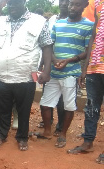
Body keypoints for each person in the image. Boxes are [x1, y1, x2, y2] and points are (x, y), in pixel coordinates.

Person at [0, 0, 53, 151]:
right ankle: (2, 135)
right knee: (3, 109)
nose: (12, 6)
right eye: (9, 3)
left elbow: (46, 45)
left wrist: (47, 70)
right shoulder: (0, 21)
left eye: (16, 2)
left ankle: (22, 137)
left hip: (26, 76)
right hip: (1, 76)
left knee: (24, 110)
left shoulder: (38, 21)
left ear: (24, 2)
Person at [39, 0, 93, 148]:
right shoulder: (58, 23)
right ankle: (47, 131)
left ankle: (62, 134)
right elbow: (49, 45)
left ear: (84, 6)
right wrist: (55, 60)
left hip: (71, 73)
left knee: (69, 106)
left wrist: (69, 60)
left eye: (76, 4)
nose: (72, 7)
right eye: (70, 4)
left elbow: (87, 51)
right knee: (45, 104)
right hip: (54, 72)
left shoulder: (88, 25)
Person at [68, 0, 104, 165]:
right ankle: (88, 141)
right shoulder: (96, 3)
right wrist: (85, 67)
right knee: (91, 106)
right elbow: (94, 36)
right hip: (95, 66)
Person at [38, 0, 69, 136]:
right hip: (50, 63)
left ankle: (60, 126)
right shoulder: (51, 20)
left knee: (62, 100)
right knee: (47, 96)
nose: (64, 4)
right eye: (62, 1)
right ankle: (48, 122)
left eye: (67, 1)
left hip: (66, 64)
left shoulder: (73, 21)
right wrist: (45, 62)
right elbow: (46, 43)